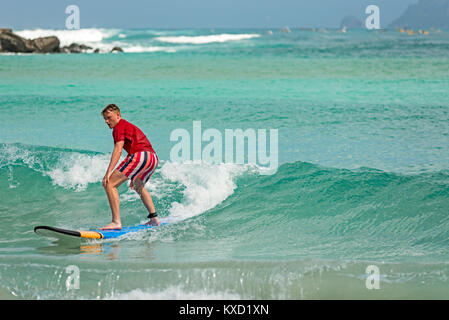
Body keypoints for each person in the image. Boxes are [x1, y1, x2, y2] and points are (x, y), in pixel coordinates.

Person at [100, 104, 160, 230]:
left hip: (140, 156)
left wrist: (108, 173)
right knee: (138, 185)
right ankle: (154, 218)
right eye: (105, 118)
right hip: (153, 158)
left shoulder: (119, 127)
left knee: (110, 184)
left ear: (118, 115)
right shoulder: (127, 125)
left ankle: (116, 222)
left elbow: (118, 150)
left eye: (109, 117)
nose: (106, 121)